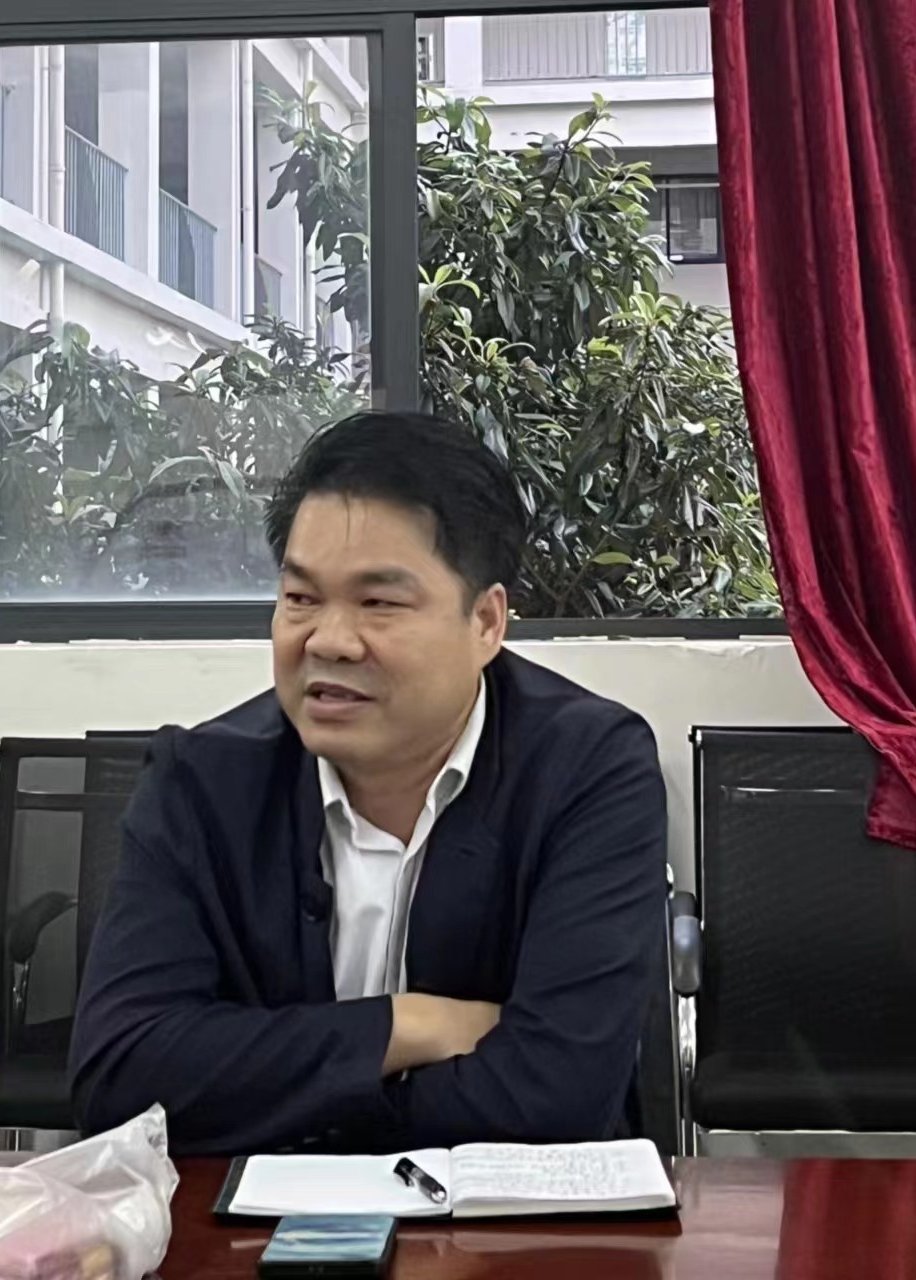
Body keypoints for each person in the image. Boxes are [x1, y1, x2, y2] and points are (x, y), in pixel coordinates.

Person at [73, 412, 668, 1155]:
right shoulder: (199, 782)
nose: (328, 640)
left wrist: (283, 1102)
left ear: (486, 623)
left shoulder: (589, 770)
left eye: (379, 603)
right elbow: (120, 1081)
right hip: (253, 1219)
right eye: (301, 598)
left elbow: (556, 1098)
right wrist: (407, 1025)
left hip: (509, 1220)